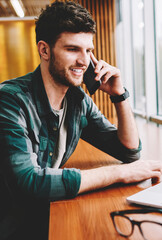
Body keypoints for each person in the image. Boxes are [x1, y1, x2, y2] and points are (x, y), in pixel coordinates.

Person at [0, 1, 162, 240]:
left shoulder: (78, 101)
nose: (84, 61)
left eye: (88, 50)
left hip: (51, 210)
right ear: (44, 50)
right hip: (17, 224)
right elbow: (30, 181)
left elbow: (129, 151)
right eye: (73, 49)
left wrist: (119, 95)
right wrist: (120, 174)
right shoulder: (10, 99)